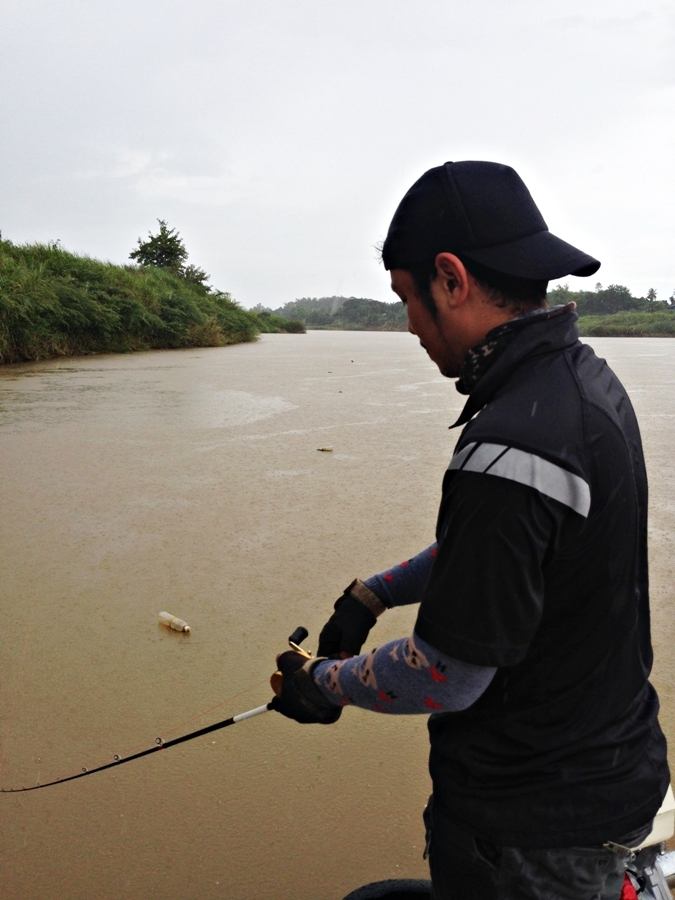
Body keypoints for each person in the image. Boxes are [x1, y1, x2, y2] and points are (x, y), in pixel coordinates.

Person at [270, 161, 670, 899]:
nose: (409, 327)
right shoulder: (582, 385)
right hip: (606, 768)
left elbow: (446, 673)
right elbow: (508, 554)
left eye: (405, 299)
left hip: (530, 822)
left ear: (449, 280)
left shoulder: (512, 443)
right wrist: (373, 593)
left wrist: (322, 684)